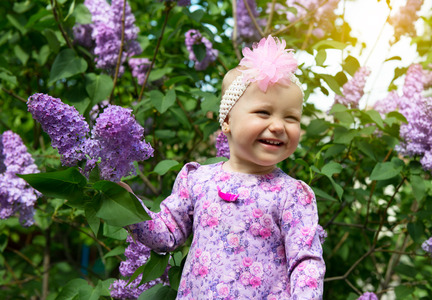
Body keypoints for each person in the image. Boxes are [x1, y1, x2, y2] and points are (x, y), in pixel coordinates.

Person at [126, 35, 325, 299]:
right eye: (264, 113)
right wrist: (125, 205)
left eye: (291, 117)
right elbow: (166, 235)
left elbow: (306, 262)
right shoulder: (198, 180)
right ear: (228, 120)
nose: (278, 126)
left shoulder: (292, 195)